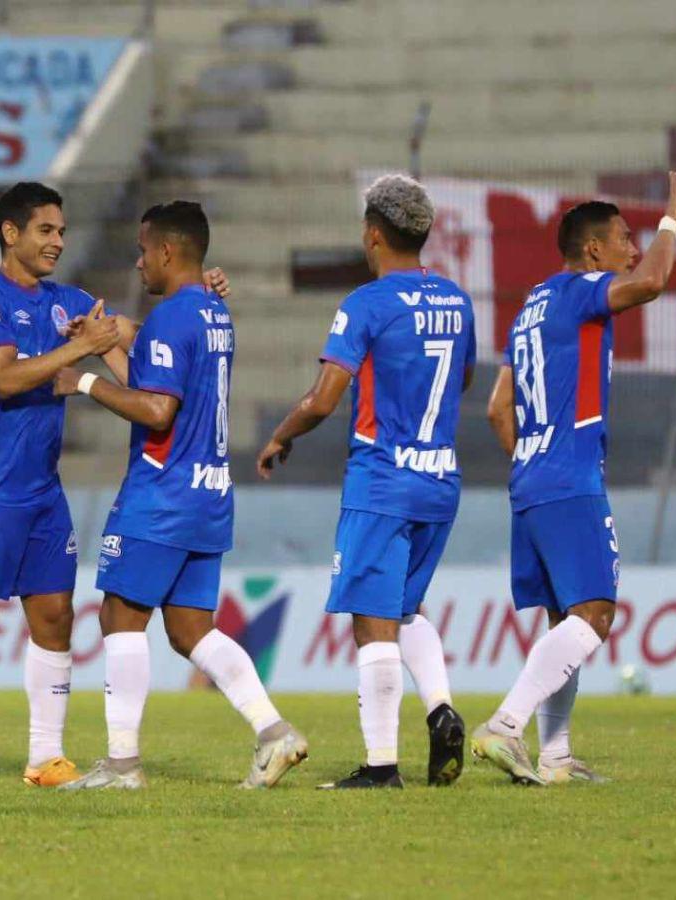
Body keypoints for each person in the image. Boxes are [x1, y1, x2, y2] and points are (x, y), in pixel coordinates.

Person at [0, 184, 230, 789]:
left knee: (55, 616)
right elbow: (3, 379)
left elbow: (138, 336)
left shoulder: (68, 302)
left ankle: (45, 758)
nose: (58, 241)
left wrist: (198, 293)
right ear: (12, 234)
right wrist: (82, 348)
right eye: (45, 231)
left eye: (61, 231)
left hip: (41, 487)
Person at [55, 201, 306, 790]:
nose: (139, 262)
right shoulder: (215, 312)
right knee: (191, 629)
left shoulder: (171, 318)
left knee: (120, 615)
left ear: (168, 251)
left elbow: (158, 408)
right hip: (209, 493)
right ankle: (274, 733)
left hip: (161, 492)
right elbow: (153, 377)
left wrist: (83, 381)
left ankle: (121, 765)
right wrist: (104, 344)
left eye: (144, 250)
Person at [257, 174, 473, 789]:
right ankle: (440, 709)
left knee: (372, 621)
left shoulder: (366, 304)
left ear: (372, 234)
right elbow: (458, 382)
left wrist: (283, 434)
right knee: (404, 611)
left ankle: (381, 767)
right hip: (440, 480)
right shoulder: (456, 299)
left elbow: (325, 398)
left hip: (384, 479)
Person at [473, 172, 676, 785]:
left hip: (532, 475)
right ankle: (506, 727)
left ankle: (557, 757)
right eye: (625, 238)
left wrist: (533, 459)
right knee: (593, 614)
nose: (634, 249)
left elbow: (496, 409)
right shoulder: (583, 291)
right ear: (593, 252)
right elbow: (653, 281)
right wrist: (672, 220)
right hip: (568, 475)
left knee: (564, 616)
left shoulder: (530, 308)